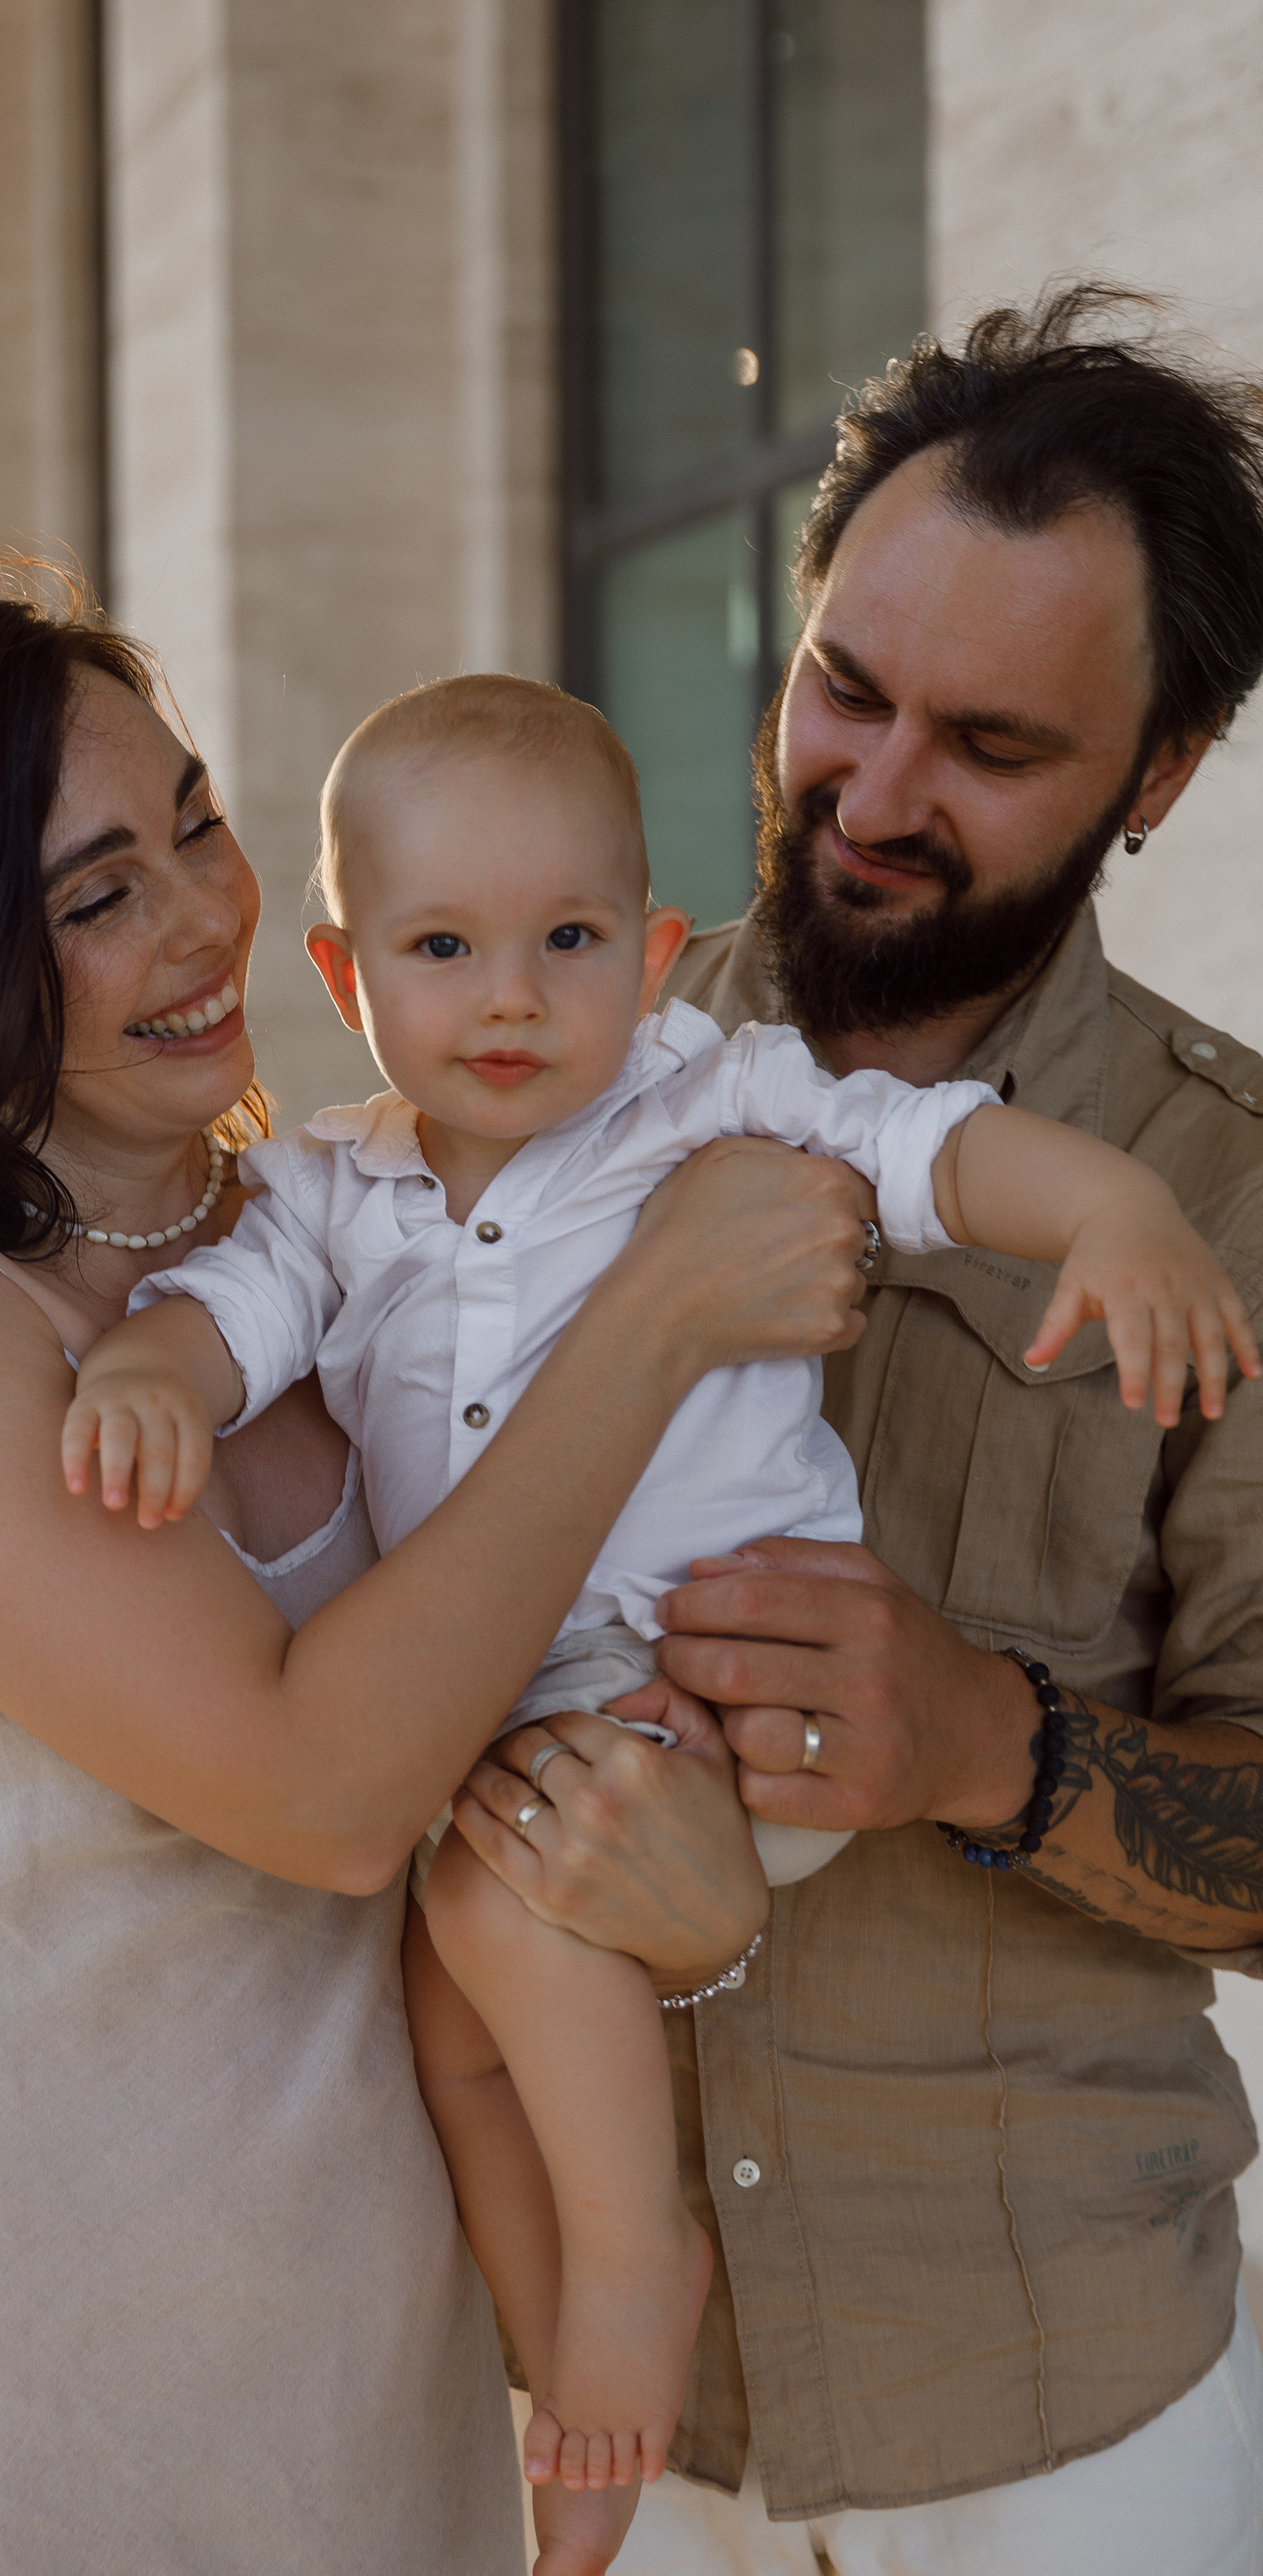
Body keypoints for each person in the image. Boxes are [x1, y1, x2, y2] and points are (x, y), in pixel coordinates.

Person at [0, 571, 882, 2576]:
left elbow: (518, 1708)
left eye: (194, 823)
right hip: (36, 2375)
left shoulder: (337, 1227)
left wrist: (688, 1898)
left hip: (380, 2349)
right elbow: (327, 1798)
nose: (200, 920)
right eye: (97, 896)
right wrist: (660, 1313)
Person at [60, 663, 1255, 2526]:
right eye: (444, 947)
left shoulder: (711, 1100)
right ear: (347, 977)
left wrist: (1116, 1213)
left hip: (690, 1675)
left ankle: (631, 2270)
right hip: (502, 1710)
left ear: (654, 948)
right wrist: (152, 1375)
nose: (517, 994)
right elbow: (232, 1317)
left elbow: (933, 1155)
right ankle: (581, 2393)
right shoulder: (332, 1191)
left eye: (569, 938)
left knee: (497, 1920)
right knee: (453, 2013)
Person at [442, 289, 1263, 2575]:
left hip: (1060, 2414)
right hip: (602, 2436)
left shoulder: (1234, 1202)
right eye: (847, 689)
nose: (878, 796)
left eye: (991, 744)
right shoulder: (504, 1094)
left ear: (1160, 776)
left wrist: (996, 1747)